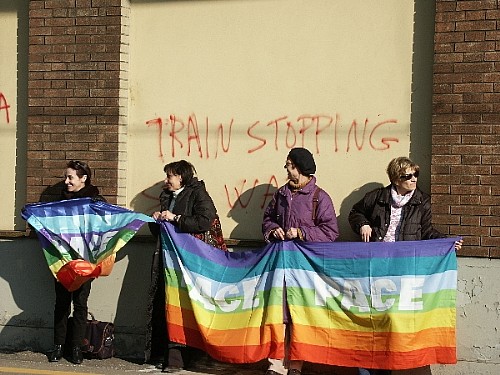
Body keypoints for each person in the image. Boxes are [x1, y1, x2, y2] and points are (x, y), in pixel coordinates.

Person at [348, 156, 462, 375]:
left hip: (405, 271)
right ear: (395, 179)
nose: (413, 179)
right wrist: (363, 224)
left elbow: (426, 232)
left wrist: (447, 243)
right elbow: (355, 212)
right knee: (372, 321)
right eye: (407, 176)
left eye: (415, 174)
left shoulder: (422, 201)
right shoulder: (377, 198)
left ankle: (391, 367)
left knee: (397, 322)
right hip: (376, 267)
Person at [262, 147, 339, 375]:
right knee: (279, 315)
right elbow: (267, 219)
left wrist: (301, 233)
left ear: (299, 168)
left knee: (300, 316)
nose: (286, 168)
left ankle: (295, 365)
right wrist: (273, 229)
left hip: (306, 268)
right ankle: (276, 365)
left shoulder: (319, 197)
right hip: (281, 265)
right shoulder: (281, 194)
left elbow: (331, 232)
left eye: (289, 164)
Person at [146, 160, 226, 371]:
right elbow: (163, 232)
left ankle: (181, 358)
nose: (166, 180)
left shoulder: (197, 193)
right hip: (168, 261)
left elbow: (205, 221)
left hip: (191, 263)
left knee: (184, 308)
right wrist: (156, 221)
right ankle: (165, 355)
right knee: (167, 306)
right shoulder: (166, 197)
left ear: (180, 177)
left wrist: (176, 218)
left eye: (169, 176)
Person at [47, 160, 106, 365]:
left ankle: (76, 348)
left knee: (80, 305)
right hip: (63, 260)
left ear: (83, 178)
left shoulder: (95, 200)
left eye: (70, 177)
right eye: (66, 177)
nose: (66, 181)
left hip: (85, 262)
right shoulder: (60, 200)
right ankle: (58, 346)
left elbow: (105, 225)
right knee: (61, 304)